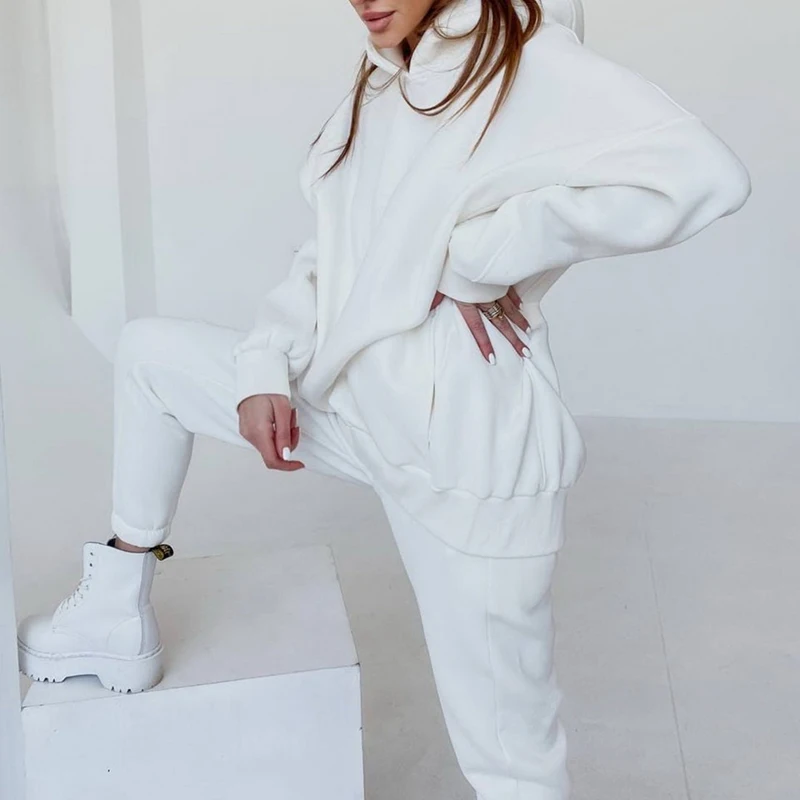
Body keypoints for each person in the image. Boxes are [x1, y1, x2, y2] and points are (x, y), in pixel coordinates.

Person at [17, 0, 751, 797]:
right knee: (149, 356)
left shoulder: (525, 59)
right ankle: (113, 611)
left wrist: (480, 254)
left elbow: (705, 175)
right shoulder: (383, 78)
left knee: (512, 764)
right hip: (355, 405)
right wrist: (264, 364)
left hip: (464, 456)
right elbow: (334, 249)